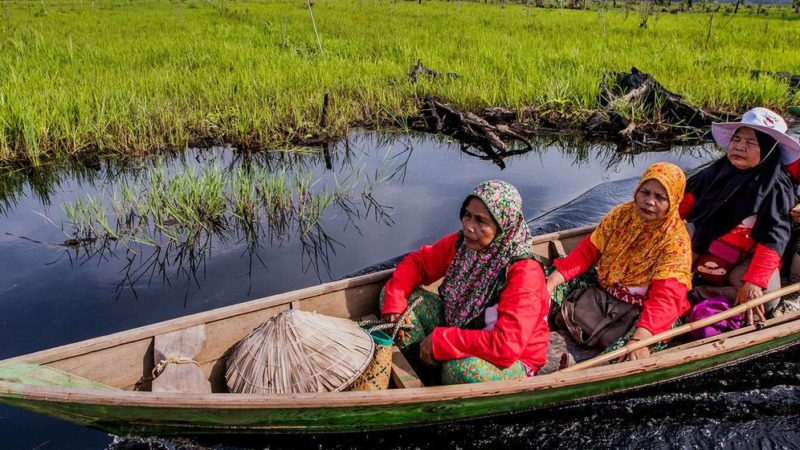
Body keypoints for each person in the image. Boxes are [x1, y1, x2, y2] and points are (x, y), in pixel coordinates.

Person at [380, 180, 550, 384]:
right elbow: (418, 263)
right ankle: (421, 368)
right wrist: (395, 302)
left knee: (460, 370)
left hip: (512, 359)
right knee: (392, 297)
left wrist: (442, 341)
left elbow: (505, 347)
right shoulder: (463, 244)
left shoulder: (524, 274)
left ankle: (436, 371)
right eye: (467, 215)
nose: (469, 227)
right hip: (462, 329)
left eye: (481, 221)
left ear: (503, 226)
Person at [546, 162, 693, 361]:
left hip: (646, 311)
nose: (649, 202)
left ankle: (585, 369)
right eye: (645, 192)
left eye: (660, 197)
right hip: (608, 289)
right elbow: (588, 251)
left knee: (628, 351)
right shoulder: (621, 215)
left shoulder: (675, 241)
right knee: (546, 279)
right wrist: (551, 282)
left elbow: (666, 298)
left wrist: (639, 338)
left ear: (674, 201)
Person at [679, 107, 796, 324]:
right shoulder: (715, 171)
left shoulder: (776, 186)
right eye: (737, 139)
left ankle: (698, 295)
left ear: (768, 148)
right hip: (704, 245)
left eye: (750, 143)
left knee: (767, 301)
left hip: (746, 254)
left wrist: (754, 283)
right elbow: (682, 205)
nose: (739, 146)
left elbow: (773, 240)